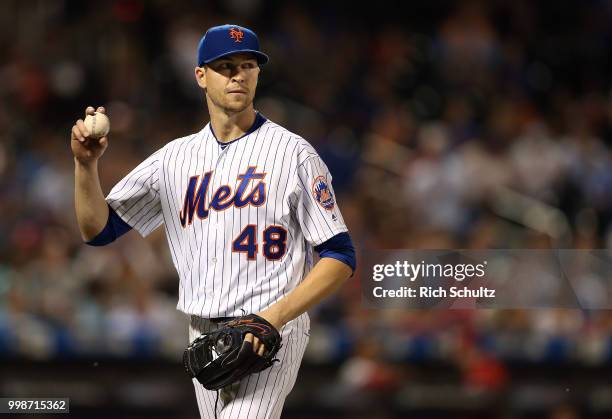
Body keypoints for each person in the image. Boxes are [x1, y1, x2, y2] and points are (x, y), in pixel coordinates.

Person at [70, 24, 356, 418]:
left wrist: (273, 318)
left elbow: (340, 255)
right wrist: (86, 165)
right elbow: (98, 230)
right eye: (225, 66)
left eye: (248, 65)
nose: (238, 74)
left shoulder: (293, 154)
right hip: (202, 331)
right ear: (201, 76)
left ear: (258, 73)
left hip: (270, 328)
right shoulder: (174, 158)